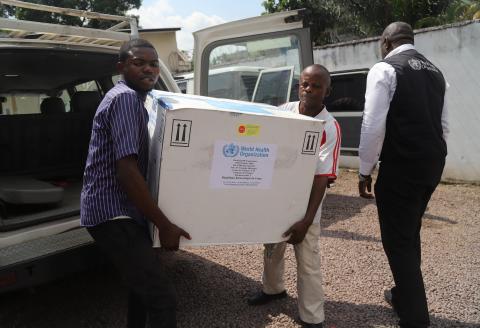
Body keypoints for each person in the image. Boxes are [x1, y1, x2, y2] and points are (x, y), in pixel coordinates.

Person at [80, 39, 190, 328]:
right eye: (138, 63)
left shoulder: (132, 99)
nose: (149, 69)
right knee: (162, 298)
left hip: (118, 211)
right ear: (121, 67)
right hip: (113, 213)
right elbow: (127, 170)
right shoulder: (126, 98)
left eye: (153, 63)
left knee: (140, 291)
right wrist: (164, 225)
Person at [358, 22, 449, 328]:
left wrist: (364, 170)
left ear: (386, 41)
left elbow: (372, 126)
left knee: (397, 241)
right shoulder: (436, 72)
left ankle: (415, 318)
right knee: (409, 232)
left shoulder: (385, 69)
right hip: (432, 163)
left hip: (402, 165)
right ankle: (402, 295)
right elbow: (443, 126)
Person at [247, 64, 341, 328]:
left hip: (307, 197)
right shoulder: (283, 112)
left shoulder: (329, 127)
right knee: (272, 245)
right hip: (278, 193)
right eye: (304, 84)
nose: (308, 90)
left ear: (327, 91)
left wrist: (307, 220)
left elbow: (322, 177)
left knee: (307, 255)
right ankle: (273, 289)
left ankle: (313, 316)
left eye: (316, 86)